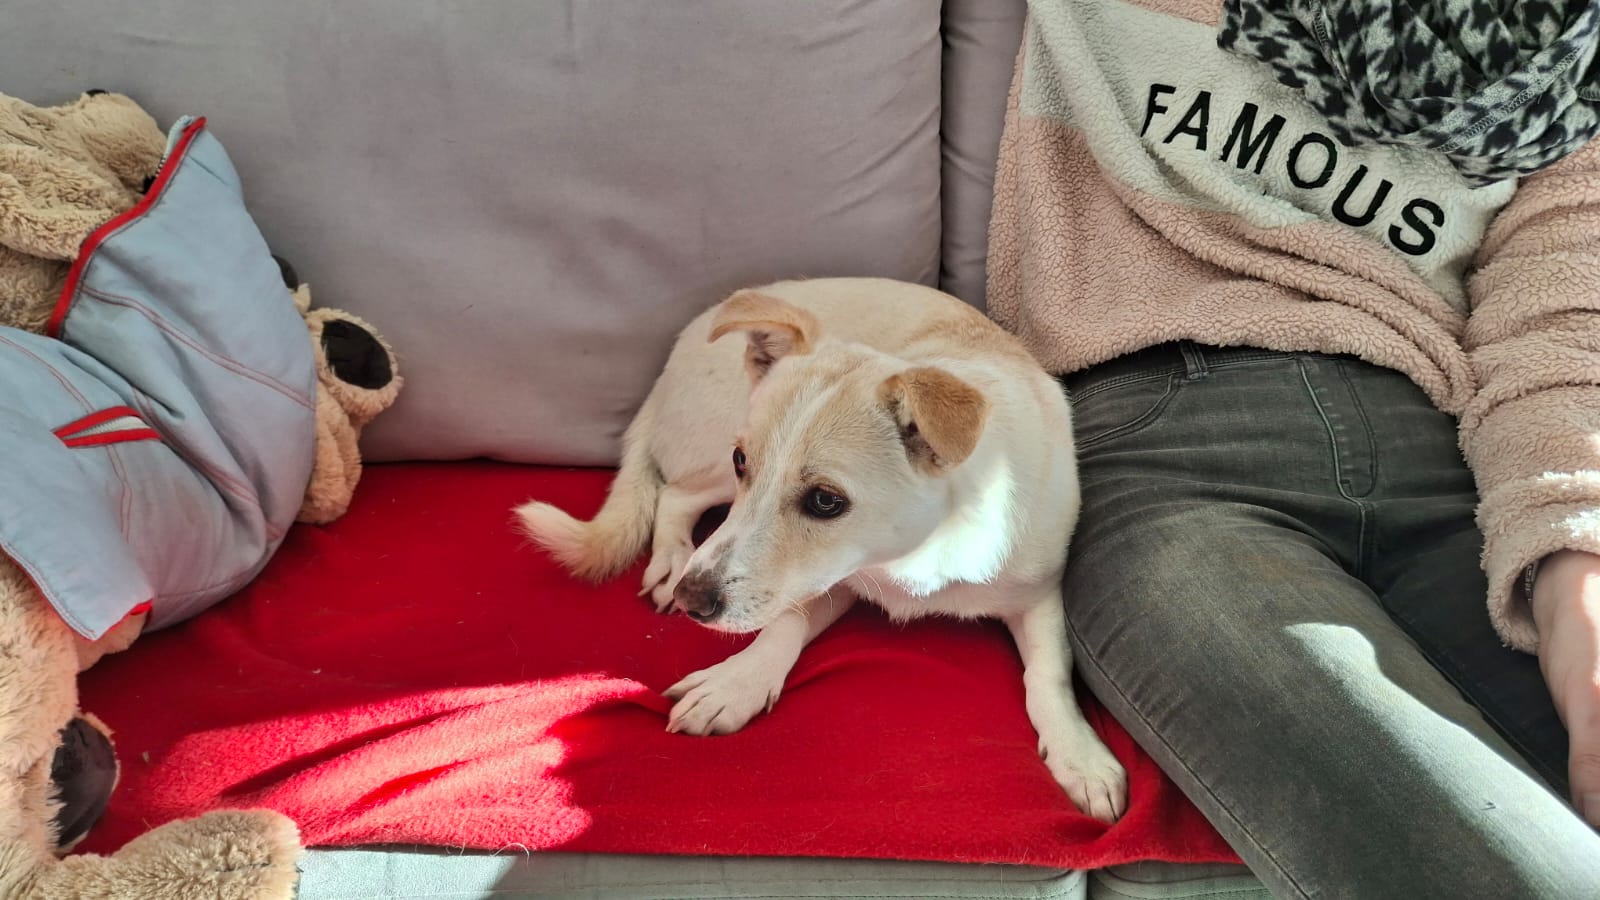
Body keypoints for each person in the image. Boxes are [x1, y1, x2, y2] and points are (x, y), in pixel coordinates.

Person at [985, 1, 1600, 896]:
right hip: (1164, 445)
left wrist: (1573, 572)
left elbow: (1560, 324)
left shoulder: (1567, 49)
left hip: (1449, 455)